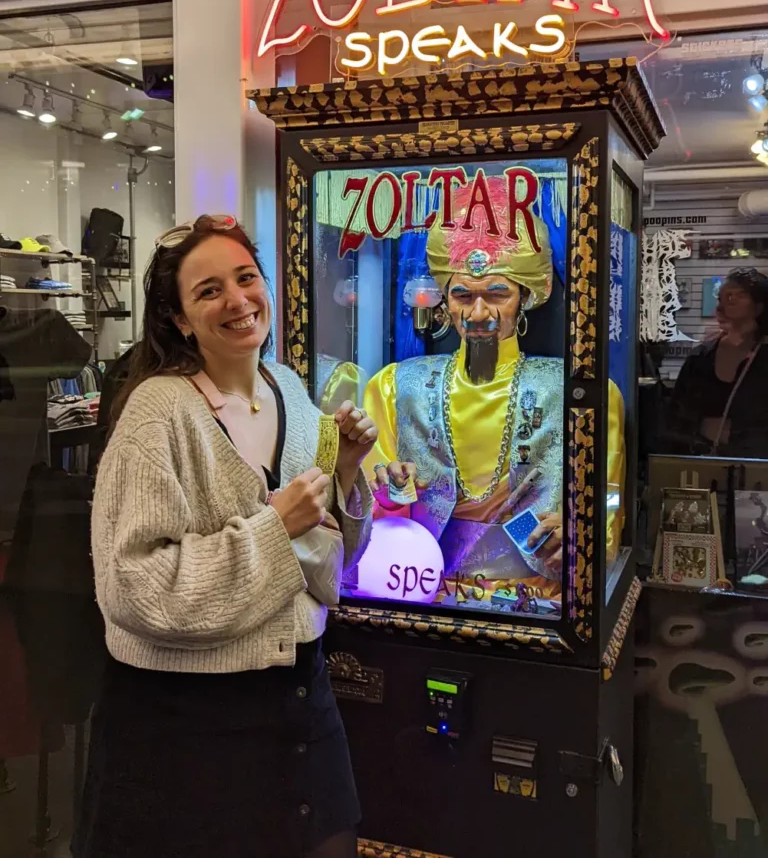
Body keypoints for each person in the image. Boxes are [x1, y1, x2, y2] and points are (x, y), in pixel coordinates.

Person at [73, 215, 376, 858]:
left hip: (303, 695)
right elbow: (134, 589)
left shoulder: (290, 391)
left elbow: (329, 567)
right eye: (208, 291)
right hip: (187, 723)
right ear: (181, 319)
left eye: (246, 279)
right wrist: (276, 528)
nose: (237, 301)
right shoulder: (158, 412)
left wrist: (346, 476)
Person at [362, 179, 625, 606]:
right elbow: (369, 513)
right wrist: (392, 494)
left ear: (524, 298)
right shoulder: (395, 388)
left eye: (497, 294)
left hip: (540, 603)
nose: (479, 313)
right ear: (445, 300)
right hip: (422, 593)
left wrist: (581, 535)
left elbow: (607, 514)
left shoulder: (580, 394)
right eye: (463, 295)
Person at [667, 267, 768, 457]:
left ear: (759, 306)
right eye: (722, 298)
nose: (725, 305)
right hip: (701, 462)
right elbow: (677, 419)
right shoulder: (701, 357)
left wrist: (737, 435)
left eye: (735, 296)